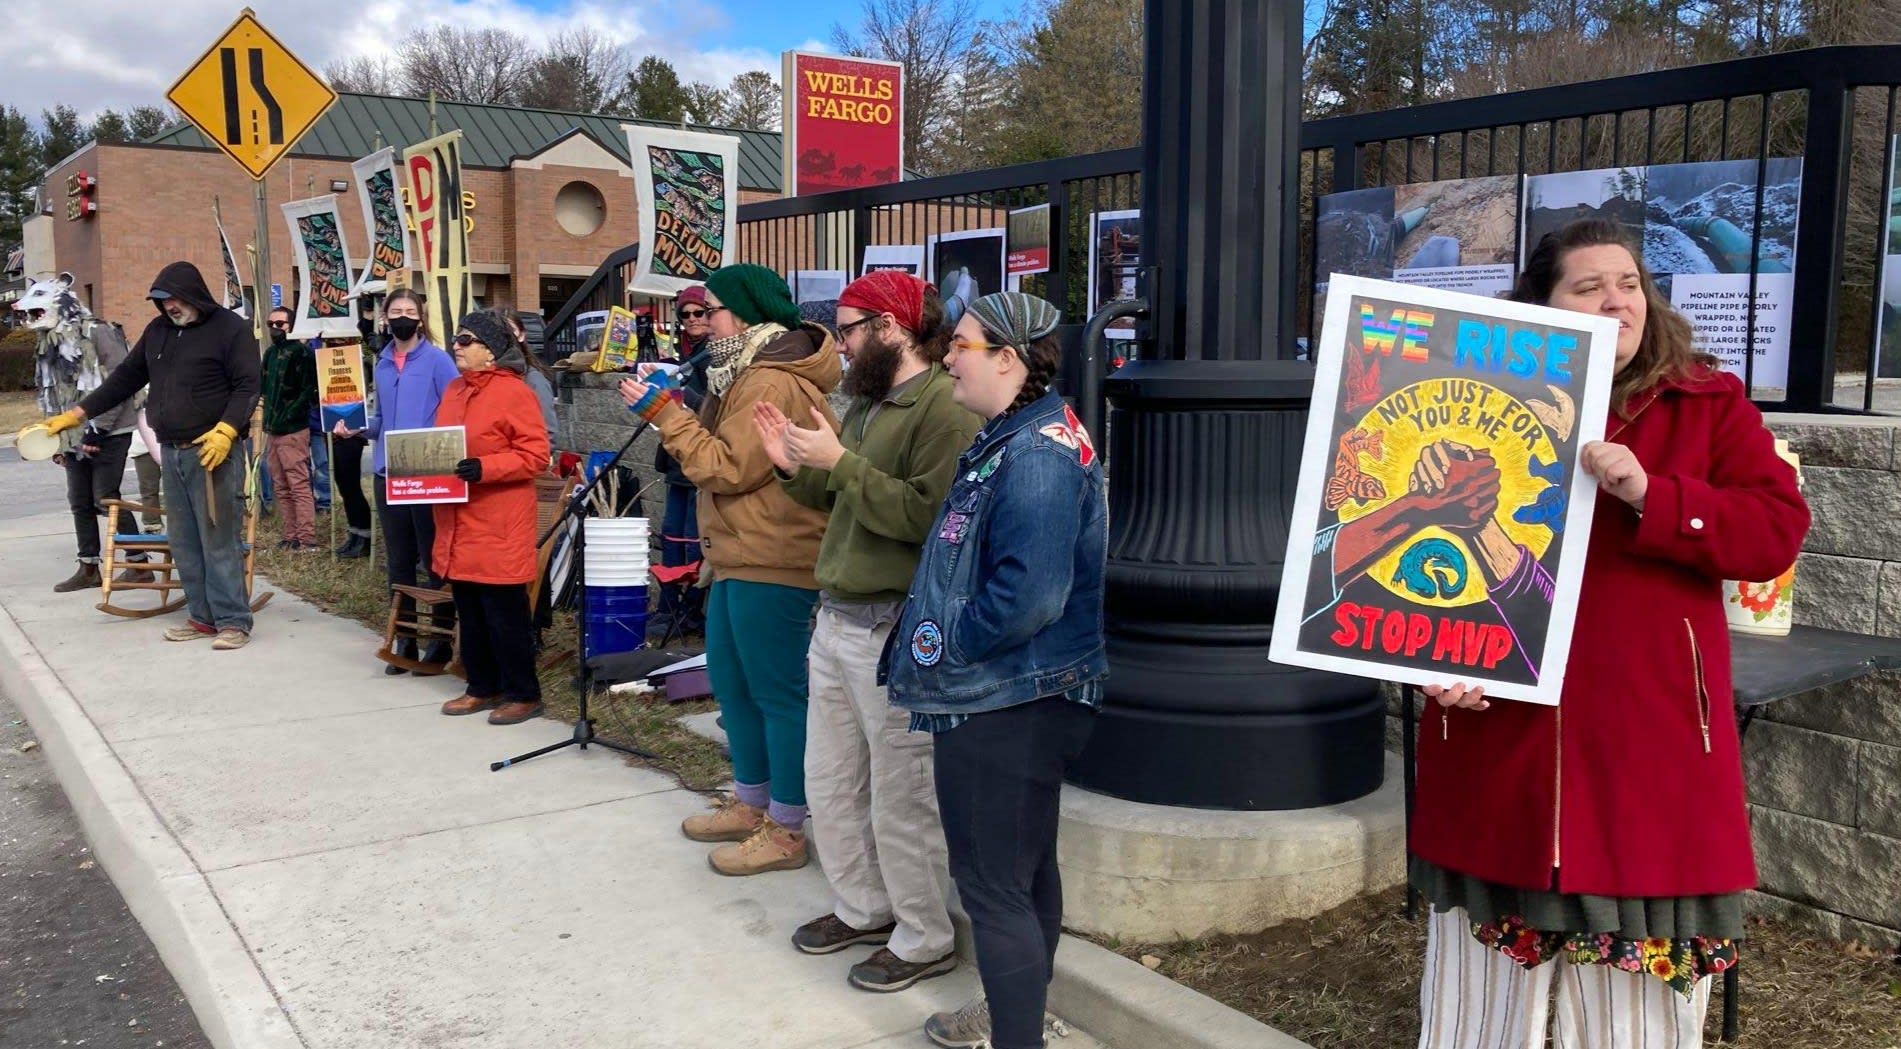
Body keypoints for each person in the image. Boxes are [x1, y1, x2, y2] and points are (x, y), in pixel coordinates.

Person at [1409, 220, 1809, 1049]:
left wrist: (1652, 495)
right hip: (1501, 734)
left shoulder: (1708, 401)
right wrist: (1424, 651)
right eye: (1586, 286)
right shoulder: (1468, 398)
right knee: (1475, 1017)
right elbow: (1419, 550)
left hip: (1647, 752)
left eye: (1626, 282)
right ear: (1542, 305)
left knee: (1633, 1027)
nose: (1614, 299)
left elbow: (1773, 530)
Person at [882, 292, 1107, 1049]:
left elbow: (1030, 596)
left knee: (993, 885)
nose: (947, 355)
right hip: (1019, 695)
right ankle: (1013, 1016)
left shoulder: (1036, 453)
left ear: (1008, 358)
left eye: (964, 345)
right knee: (1023, 872)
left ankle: (1015, 1035)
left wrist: (953, 646)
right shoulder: (1019, 434)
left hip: (1006, 700)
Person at [752, 271, 979, 993]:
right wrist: (794, 465)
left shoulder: (943, 406)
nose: (840, 345)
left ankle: (923, 936)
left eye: (849, 329)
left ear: (890, 326)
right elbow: (832, 490)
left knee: (901, 792)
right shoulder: (870, 400)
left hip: (892, 626)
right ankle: (864, 908)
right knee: (832, 777)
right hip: (838, 615)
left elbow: (928, 516)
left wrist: (840, 463)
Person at [618, 264, 839, 876]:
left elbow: (727, 468)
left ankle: (787, 828)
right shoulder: (738, 373)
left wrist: (668, 414)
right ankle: (751, 803)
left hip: (774, 553)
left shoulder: (771, 379)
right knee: (734, 684)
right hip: (738, 551)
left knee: (774, 692)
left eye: (710, 310)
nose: (699, 322)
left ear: (744, 313)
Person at [41, 261, 261, 649]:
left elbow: (248, 386)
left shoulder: (230, 329)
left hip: (212, 453)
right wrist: (77, 414)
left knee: (217, 539)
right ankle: (202, 618)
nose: (169, 306)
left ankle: (233, 621)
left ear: (193, 293)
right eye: (162, 301)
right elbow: (125, 377)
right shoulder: (159, 332)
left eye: (174, 298)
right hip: (171, 452)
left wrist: (227, 430)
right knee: (184, 540)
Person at [432, 310, 552, 726]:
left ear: (491, 350)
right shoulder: (453, 390)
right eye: (455, 338)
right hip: (457, 518)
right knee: (470, 608)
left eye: (466, 339)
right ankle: (482, 686)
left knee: (504, 613)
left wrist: (486, 468)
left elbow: (536, 455)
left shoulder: (515, 392)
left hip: (498, 519)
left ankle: (523, 692)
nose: (457, 346)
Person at [337, 289, 458, 673]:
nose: (402, 317)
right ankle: (403, 639)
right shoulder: (384, 362)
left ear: (420, 318)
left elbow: (456, 412)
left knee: (434, 559)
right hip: (388, 474)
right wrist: (356, 429)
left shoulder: (439, 361)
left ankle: (440, 639)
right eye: (395, 311)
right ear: (385, 318)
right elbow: (383, 421)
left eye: (410, 311)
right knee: (400, 560)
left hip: (428, 474)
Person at [20, 283, 140, 593]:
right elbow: (54, 394)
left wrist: (98, 428)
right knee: (79, 501)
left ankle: (139, 565)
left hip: (111, 429)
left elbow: (121, 381)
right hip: (71, 433)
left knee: (105, 496)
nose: (30, 316)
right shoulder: (47, 341)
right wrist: (56, 440)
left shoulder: (99, 332)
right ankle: (88, 567)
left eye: (37, 307)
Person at [648, 285, 713, 640]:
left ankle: (691, 611)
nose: (691, 320)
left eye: (698, 313)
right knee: (671, 537)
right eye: (685, 314)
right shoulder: (680, 354)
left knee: (693, 540)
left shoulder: (714, 356)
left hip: (700, 459)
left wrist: (685, 394)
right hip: (675, 461)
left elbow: (718, 409)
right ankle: (668, 607)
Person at [261, 307, 318, 551]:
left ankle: (305, 537)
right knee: (281, 485)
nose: (275, 327)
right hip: (273, 429)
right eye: (271, 322)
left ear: (291, 325)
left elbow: (310, 389)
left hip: (293, 429)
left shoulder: (302, 353)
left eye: (280, 323)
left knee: (297, 484)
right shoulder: (271, 353)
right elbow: (263, 386)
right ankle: (290, 533)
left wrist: (291, 412)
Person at [505, 310, 559, 442]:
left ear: (522, 334)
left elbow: (548, 434)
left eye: (510, 330)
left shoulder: (533, 380)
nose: (505, 336)